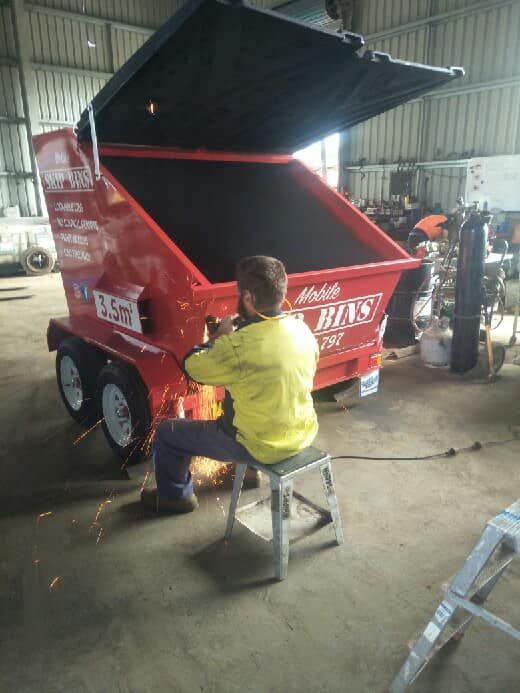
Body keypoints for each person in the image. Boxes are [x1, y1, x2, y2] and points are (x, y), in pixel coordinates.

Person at [141, 255, 320, 513]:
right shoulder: (302, 330)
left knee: (168, 433)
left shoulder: (238, 345)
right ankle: (249, 474)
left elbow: (192, 367)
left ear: (248, 298)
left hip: (259, 445)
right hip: (301, 434)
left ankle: (175, 497)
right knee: (248, 402)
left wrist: (217, 339)